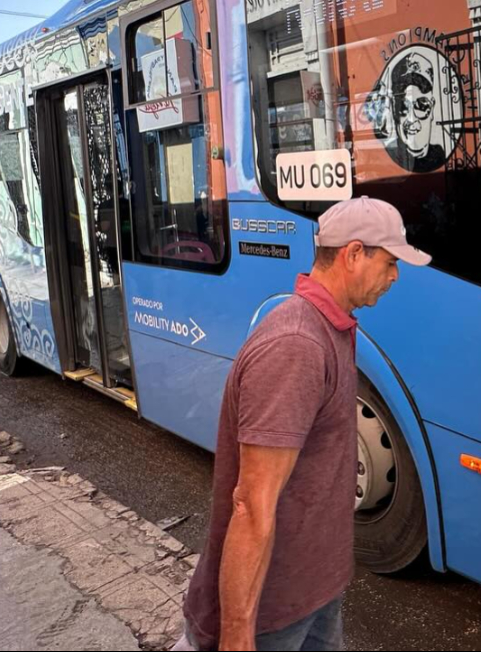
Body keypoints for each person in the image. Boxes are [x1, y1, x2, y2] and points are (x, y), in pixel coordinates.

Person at [178, 197, 431, 651]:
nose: (395, 277)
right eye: (391, 262)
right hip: (274, 613)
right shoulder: (296, 345)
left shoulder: (331, 327)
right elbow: (251, 506)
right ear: (354, 254)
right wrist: (237, 635)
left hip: (314, 591)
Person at [384, 52, 446, 173]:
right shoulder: (388, 156)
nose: (412, 119)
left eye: (422, 106)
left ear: (432, 108)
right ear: (393, 109)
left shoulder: (439, 155)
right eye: (403, 107)